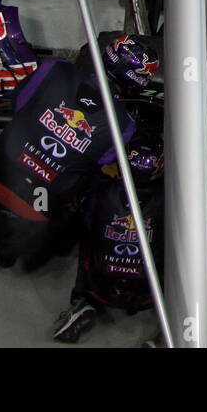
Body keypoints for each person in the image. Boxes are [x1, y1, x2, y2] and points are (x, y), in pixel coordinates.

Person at [0, 32, 158, 268]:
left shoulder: (54, 68)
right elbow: (101, 160)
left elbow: (19, 100)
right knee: (91, 184)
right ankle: (10, 251)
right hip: (41, 207)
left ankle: (6, 245)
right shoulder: (124, 126)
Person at [53, 129, 164, 344]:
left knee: (89, 232)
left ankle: (81, 300)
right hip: (148, 296)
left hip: (100, 288)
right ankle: (164, 336)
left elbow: (85, 221)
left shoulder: (101, 189)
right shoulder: (169, 199)